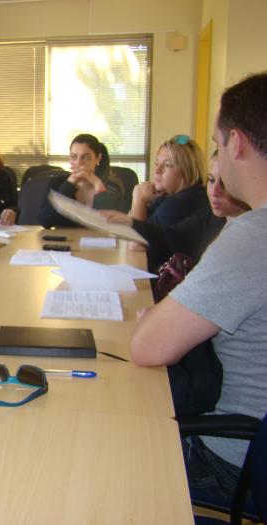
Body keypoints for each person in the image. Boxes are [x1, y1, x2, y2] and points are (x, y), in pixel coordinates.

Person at [131, 72, 267, 509]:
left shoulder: (252, 238)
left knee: (100, 451)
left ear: (238, 143)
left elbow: (148, 346)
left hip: (235, 460)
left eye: (217, 143)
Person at [103, 151, 249, 272]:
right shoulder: (211, 214)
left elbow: (137, 246)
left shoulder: (251, 231)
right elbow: (174, 236)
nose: (214, 191)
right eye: (211, 180)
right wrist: (130, 223)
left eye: (225, 184)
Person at [39, 133, 126, 227]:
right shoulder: (57, 183)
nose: (79, 163)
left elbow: (112, 225)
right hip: (66, 240)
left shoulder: (112, 187)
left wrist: (98, 185)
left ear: (98, 158)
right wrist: (69, 185)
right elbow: (46, 222)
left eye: (86, 157)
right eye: (74, 157)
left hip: (98, 240)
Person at [129, 135, 208, 226]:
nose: (157, 170)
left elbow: (134, 239)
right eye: (157, 163)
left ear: (187, 170)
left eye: (167, 165)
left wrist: (138, 198)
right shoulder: (194, 194)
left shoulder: (176, 206)